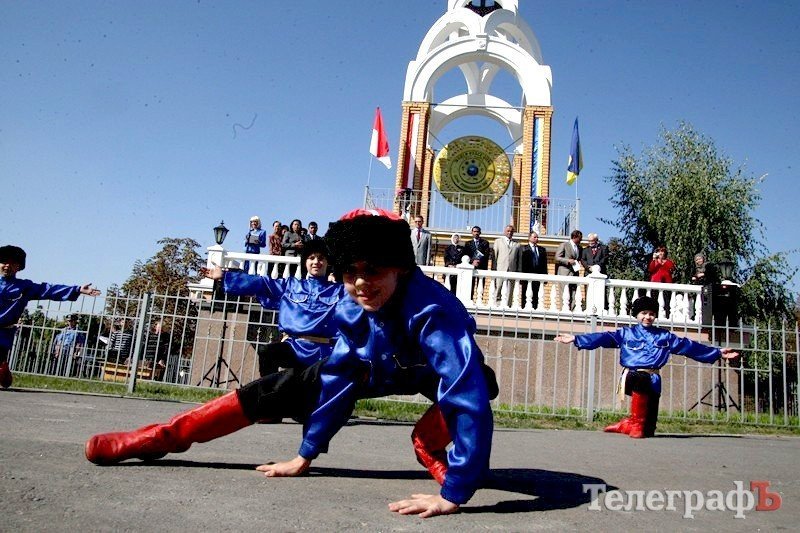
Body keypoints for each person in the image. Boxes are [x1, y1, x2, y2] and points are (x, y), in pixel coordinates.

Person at [85, 209, 497, 518]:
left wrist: (452, 495)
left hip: (434, 372)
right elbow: (336, 384)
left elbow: (466, 393)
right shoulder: (352, 310)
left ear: (400, 268)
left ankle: (434, 450)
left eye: (372, 270)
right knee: (273, 389)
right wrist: (305, 455)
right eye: (349, 272)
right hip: (373, 368)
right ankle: (159, 438)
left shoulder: (432, 312)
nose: (360, 283)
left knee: (470, 395)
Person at [554, 296, 739, 438]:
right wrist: (576, 339)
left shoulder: (664, 336)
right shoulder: (626, 333)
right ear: (636, 315)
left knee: (648, 430)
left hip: (654, 380)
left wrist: (717, 353)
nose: (647, 317)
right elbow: (603, 338)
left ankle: (627, 424)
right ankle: (635, 425)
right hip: (633, 377)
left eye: (651, 313)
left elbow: (688, 346)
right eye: (643, 313)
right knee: (640, 380)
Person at [224, 238, 344, 377]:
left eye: (321, 258)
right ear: (305, 262)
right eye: (311, 258)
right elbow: (263, 283)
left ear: (328, 262)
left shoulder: (339, 290)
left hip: (325, 352)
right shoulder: (291, 285)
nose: (316, 262)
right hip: (294, 347)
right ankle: (268, 390)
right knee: (267, 352)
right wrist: (225, 277)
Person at [0, 245, 100, 388]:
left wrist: (77, 289)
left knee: (1, 370)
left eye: (12, 263)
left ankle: (3, 374)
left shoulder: (24, 287)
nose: (7, 266)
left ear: (19, 267)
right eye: (4, 262)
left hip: (4, 333)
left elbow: (49, 290)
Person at [491, 224, 520, 305]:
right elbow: (495, 256)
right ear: (504, 231)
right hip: (500, 269)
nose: (509, 232)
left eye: (511, 231)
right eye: (508, 231)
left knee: (510, 289)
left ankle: (508, 305)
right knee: (498, 287)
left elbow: (519, 259)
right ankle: (497, 304)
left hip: (512, 269)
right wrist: (493, 269)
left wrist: (519, 270)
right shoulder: (498, 241)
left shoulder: (517, 244)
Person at [518, 231, 547, 310]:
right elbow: (520, 263)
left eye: (537, 237)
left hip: (538, 277)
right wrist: (520, 276)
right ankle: (524, 310)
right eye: (534, 237)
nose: (536, 239)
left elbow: (544, 264)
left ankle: (535, 309)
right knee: (525, 294)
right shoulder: (523, 248)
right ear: (529, 238)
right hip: (526, 276)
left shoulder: (542, 249)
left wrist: (545, 277)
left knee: (536, 295)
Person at [555, 229, 583, 309]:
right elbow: (557, 258)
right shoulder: (564, 245)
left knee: (574, 293)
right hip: (564, 273)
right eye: (580, 238)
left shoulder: (579, 248)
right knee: (564, 294)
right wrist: (568, 261)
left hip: (574, 273)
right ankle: (563, 311)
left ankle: (571, 311)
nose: (581, 240)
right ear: (574, 237)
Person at [463, 226, 490, 300]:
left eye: (477, 231)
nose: (476, 233)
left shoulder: (485, 243)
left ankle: (479, 301)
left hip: (482, 267)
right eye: (474, 231)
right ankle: (470, 300)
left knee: (480, 286)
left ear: (480, 233)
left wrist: (478, 261)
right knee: (470, 286)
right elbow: (466, 255)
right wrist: (472, 261)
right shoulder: (468, 243)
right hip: (471, 268)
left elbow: (486, 255)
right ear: (472, 233)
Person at [648, 245, 675, 315]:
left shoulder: (669, 262)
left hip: (666, 284)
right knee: (654, 300)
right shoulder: (654, 261)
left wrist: (662, 262)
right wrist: (654, 259)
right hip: (655, 283)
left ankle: (667, 315)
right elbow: (651, 269)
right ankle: (654, 315)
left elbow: (671, 268)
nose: (660, 253)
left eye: (662, 251)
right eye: (659, 251)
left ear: (665, 253)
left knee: (666, 301)